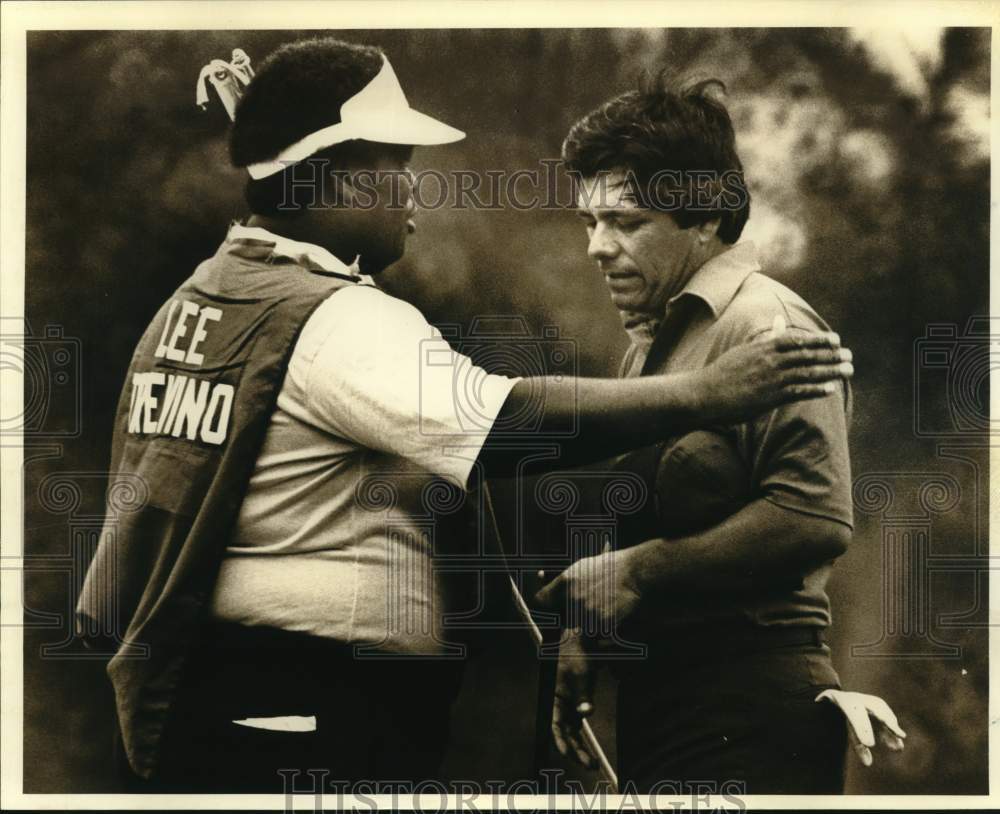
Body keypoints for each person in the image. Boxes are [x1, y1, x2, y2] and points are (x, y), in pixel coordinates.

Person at [76, 40, 852, 793]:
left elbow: (813, 513)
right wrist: (710, 393)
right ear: (343, 180)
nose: (412, 196)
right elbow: (508, 425)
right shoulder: (335, 319)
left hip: (242, 708)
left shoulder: (202, 304)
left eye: (627, 222)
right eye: (397, 169)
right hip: (296, 712)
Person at [538, 76, 904, 793]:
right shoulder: (650, 346)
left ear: (704, 218)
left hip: (753, 703)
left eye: (627, 223)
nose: (597, 248)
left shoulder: (769, 326)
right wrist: (587, 635)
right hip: (668, 706)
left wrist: (639, 572)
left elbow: (815, 516)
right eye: (590, 222)